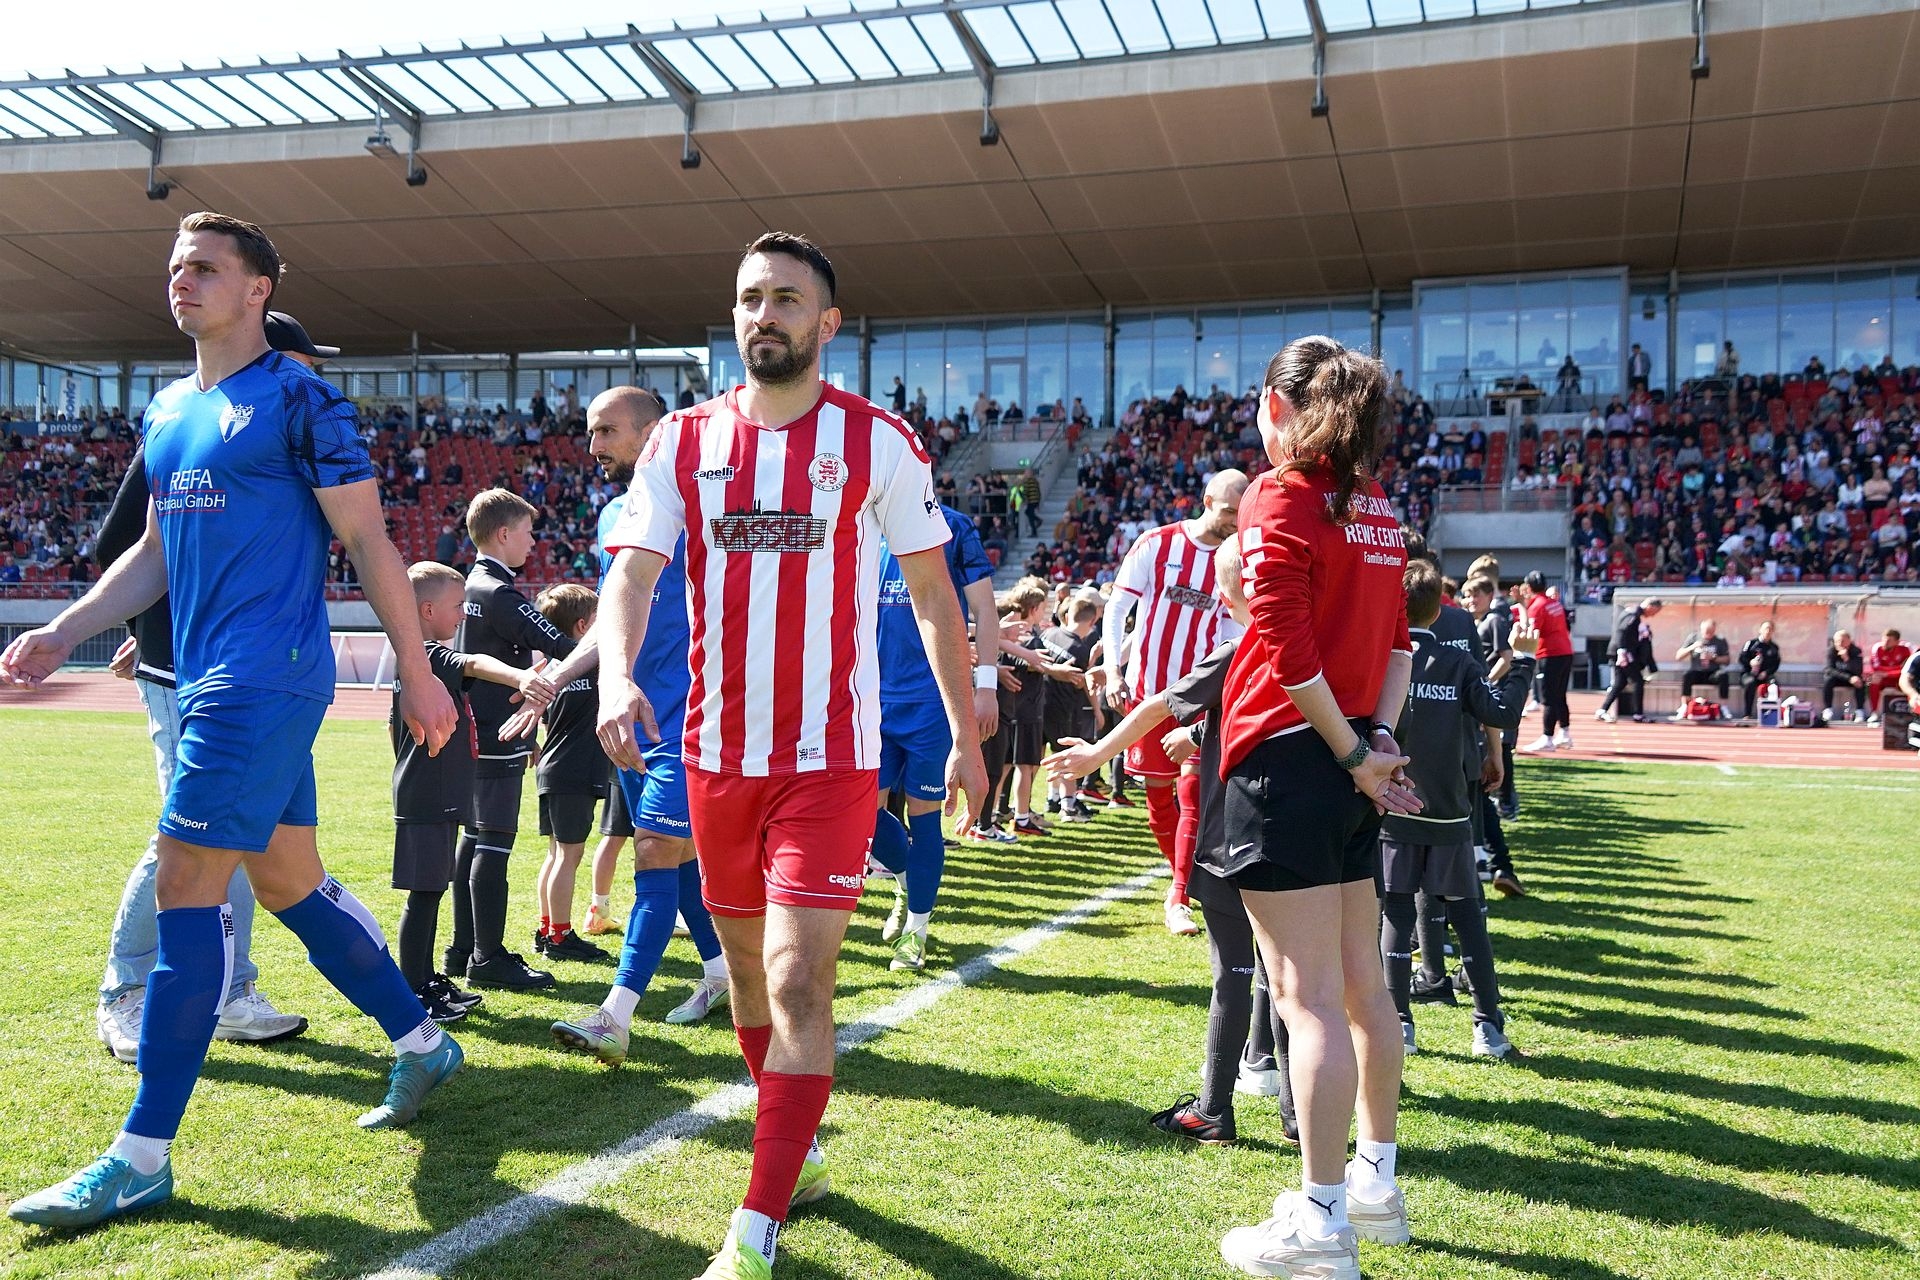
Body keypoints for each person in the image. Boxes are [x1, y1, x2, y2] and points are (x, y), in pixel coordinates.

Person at [2, 210, 462, 1228]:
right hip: (210, 675)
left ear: (259, 289)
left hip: (262, 678)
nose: (183, 281)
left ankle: (140, 1155)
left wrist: (417, 672)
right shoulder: (169, 409)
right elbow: (153, 554)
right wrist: (63, 628)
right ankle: (424, 1043)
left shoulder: (302, 399)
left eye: (206, 268)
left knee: (185, 879)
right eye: (176, 267)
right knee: (288, 878)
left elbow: (370, 541)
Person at [594, 232, 988, 1279]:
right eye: (749, 298)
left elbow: (937, 598)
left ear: (827, 322)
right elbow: (630, 574)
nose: (762, 315)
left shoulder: (877, 441)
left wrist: (966, 729)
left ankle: (753, 1231)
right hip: (716, 756)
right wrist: (615, 675)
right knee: (747, 983)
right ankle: (797, 1151)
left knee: (797, 980)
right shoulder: (682, 440)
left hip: (831, 760)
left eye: (785, 299)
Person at [1215, 336, 1420, 1279]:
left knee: (1307, 1005)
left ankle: (1324, 1225)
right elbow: (1400, 647)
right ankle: (1373, 1186)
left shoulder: (1281, 492)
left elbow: (1288, 655)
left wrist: (1351, 750)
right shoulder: (1375, 503)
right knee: (1362, 990)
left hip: (1292, 762)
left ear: (1279, 405)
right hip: (1348, 763)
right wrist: (1373, 746)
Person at [87, 311, 338, 1064]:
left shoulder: (290, 427)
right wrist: (154, 627)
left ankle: (227, 988)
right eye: (303, 361)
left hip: (261, 670)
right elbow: (124, 545)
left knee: (241, 832)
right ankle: (127, 991)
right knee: (186, 836)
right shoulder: (188, 421)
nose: (312, 376)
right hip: (186, 669)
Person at [1045, 536, 1298, 1148]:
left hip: (1234, 835)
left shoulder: (1238, 648)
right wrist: (1205, 732)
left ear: (1230, 595)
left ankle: (1213, 1109)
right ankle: (1300, 1116)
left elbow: (1158, 706)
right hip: (1301, 837)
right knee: (1296, 981)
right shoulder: (1312, 647)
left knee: (1234, 972)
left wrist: (1098, 754)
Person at [535, 386, 734, 1069]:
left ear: (652, 433)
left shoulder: (712, 506)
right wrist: (558, 677)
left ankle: (615, 1016)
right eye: (591, 432)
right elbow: (616, 617)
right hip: (630, 719)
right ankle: (720, 974)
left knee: (652, 849)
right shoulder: (615, 514)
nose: (593, 446)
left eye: (606, 431)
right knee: (678, 860)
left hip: (696, 716)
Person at [1380, 559, 1536, 1060]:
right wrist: (1525, 661)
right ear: (1440, 609)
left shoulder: (1380, 658)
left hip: (1393, 808)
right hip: (1449, 810)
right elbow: (1502, 712)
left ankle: (1399, 1024)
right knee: (1467, 915)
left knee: (1396, 913)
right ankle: (1488, 1028)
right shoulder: (1458, 661)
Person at [390, 563, 553, 1020]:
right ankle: (414, 990)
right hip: (426, 799)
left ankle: (427, 979)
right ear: (427, 610)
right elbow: (475, 662)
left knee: (432, 893)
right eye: (457, 606)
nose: (464, 615)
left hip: (436, 796)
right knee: (423, 897)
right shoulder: (424, 656)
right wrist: (521, 677)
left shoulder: (423, 659)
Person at [1101, 467, 1248, 936]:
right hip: (1148, 693)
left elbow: (1231, 627)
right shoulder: (1157, 544)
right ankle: (1181, 875)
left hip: (1198, 697)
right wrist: (1113, 669)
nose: (1235, 521)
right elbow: (1118, 608)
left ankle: (1179, 895)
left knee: (1192, 794)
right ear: (1207, 502)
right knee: (1157, 796)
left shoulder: (1232, 558)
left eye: (1240, 513)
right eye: (1229, 511)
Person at [452, 488, 579, 990]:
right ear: (503, 534)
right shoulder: (498, 593)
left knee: (472, 840)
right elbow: (561, 644)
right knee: (494, 844)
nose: (532, 542)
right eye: (527, 532)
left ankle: (463, 949)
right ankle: (488, 957)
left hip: (473, 731)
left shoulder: (470, 584)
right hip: (499, 731)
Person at [868, 501, 1000, 971]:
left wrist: (986, 686)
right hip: (869, 696)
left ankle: (916, 932)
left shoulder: (953, 527)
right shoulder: (862, 522)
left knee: (926, 817)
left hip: (932, 701)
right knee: (861, 817)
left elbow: (985, 609)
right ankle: (908, 879)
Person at [530, 583, 615, 963]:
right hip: (575, 771)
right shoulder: (595, 665)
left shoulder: (552, 670)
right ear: (583, 626)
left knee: (555, 854)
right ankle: (560, 937)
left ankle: (547, 927)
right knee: (568, 856)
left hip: (552, 769)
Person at [1518, 571, 1575, 752]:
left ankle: (1547, 737)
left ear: (1528, 587)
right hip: (1565, 651)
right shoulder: (1554, 603)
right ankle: (1564, 733)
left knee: (1548, 698)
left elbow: (1532, 632)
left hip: (1549, 654)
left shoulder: (1537, 606)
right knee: (1560, 695)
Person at [1596, 597, 1661, 723]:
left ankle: (1602, 710)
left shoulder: (1633, 612)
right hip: (1623, 653)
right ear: (1651, 607)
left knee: (1620, 682)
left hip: (1619, 652)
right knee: (1638, 681)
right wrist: (1622, 651)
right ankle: (1638, 714)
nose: (1653, 615)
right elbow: (1622, 631)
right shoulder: (1634, 615)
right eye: (1654, 612)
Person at [1674, 618, 1732, 712]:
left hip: (1712, 672)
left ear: (1714, 630)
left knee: (1723, 675)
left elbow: (1727, 660)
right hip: (1697, 671)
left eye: (1711, 632)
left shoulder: (1720, 640)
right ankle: (1684, 705)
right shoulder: (1693, 638)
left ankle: (1724, 707)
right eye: (1706, 632)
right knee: (1687, 675)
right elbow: (1678, 656)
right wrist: (1692, 647)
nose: (1708, 635)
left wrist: (1713, 658)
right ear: (1701, 629)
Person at [1738, 621, 1782, 720]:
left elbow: (1775, 665)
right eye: (1766, 628)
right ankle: (1747, 714)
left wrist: (1766, 673)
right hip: (1749, 674)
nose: (1768, 631)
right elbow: (1741, 658)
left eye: (1770, 629)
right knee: (1750, 683)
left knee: (1774, 685)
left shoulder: (1774, 647)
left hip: (1765, 676)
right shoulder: (1751, 644)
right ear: (1760, 630)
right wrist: (1750, 662)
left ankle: (1771, 715)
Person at [1866, 629, 1913, 722]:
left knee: (1911, 681)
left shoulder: (1905, 650)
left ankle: (1912, 713)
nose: (1885, 643)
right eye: (1884, 640)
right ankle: (1874, 712)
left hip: (1898, 678)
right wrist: (1895, 669)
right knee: (1872, 680)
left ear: (1897, 642)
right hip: (1884, 679)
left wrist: (1888, 673)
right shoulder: (1877, 648)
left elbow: (1906, 669)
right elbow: (1876, 668)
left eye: (1889, 641)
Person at [1822, 629, 1866, 721]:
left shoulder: (1856, 651)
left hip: (1853, 678)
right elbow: (1829, 669)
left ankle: (1859, 711)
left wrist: (1847, 659)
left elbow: (1858, 670)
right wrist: (1848, 678)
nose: (1839, 644)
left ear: (1849, 641)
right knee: (1828, 680)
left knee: (1860, 681)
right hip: (1839, 678)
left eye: (1842, 641)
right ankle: (1828, 709)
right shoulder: (1831, 651)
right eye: (1837, 641)